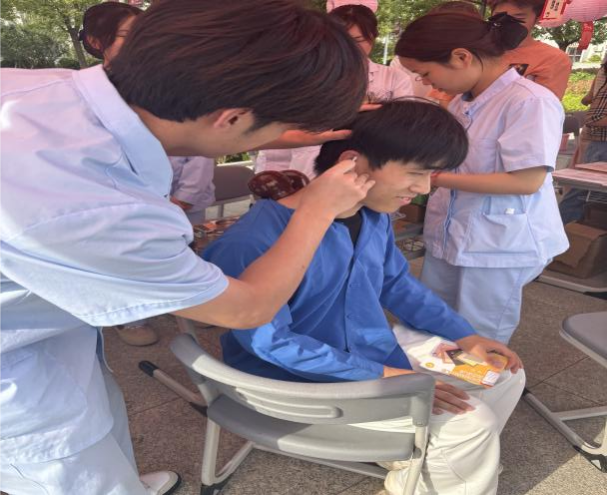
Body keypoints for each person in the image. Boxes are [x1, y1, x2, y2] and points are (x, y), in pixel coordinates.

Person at [0, 0, 375, 493]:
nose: (287, 137)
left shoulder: (37, 88)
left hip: (43, 330)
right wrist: (317, 209)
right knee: (68, 466)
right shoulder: (95, 207)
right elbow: (246, 309)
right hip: (15, 375)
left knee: (98, 424)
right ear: (231, 117)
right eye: (281, 127)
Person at [204, 101, 526, 495]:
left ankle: (432, 463)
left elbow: (398, 285)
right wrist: (387, 377)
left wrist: (466, 336)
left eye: (430, 175)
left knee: (502, 374)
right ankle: (441, 462)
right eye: (416, 173)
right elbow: (273, 344)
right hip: (296, 383)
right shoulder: (252, 240)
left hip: (369, 352)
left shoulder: (372, 216)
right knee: (471, 424)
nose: (425, 189)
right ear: (352, 163)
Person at [397, 12, 569, 344]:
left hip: (499, 243)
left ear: (461, 57)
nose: (428, 84)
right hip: (453, 231)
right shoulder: (461, 103)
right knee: (433, 324)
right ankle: (430, 376)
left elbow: (526, 181)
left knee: (479, 337)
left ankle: (479, 380)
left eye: (426, 74)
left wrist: (435, 178)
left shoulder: (530, 102)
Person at [81, 1, 219, 347]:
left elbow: (201, 139)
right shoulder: (85, 94)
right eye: (129, 34)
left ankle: (193, 303)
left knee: (184, 253)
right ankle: (131, 317)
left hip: (180, 195)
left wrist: (184, 197)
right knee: (128, 257)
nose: (141, 43)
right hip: (123, 202)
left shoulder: (175, 80)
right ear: (97, 42)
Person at [256, 4, 413, 178]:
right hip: (297, 165)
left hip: (365, 165)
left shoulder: (394, 78)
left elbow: (403, 126)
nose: (347, 47)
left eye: (357, 40)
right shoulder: (302, 73)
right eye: (340, 39)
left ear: (373, 38)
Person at [489, 0, 572, 99]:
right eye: (499, 16)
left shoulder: (553, 58)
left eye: (518, 18)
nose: (507, 23)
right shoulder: (480, 49)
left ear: (537, 19)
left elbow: (542, 104)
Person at [560, 58, 608, 224]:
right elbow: (595, 118)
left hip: (599, 140)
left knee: (589, 193)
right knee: (584, 191)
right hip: (601, 141)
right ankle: (563, 230)